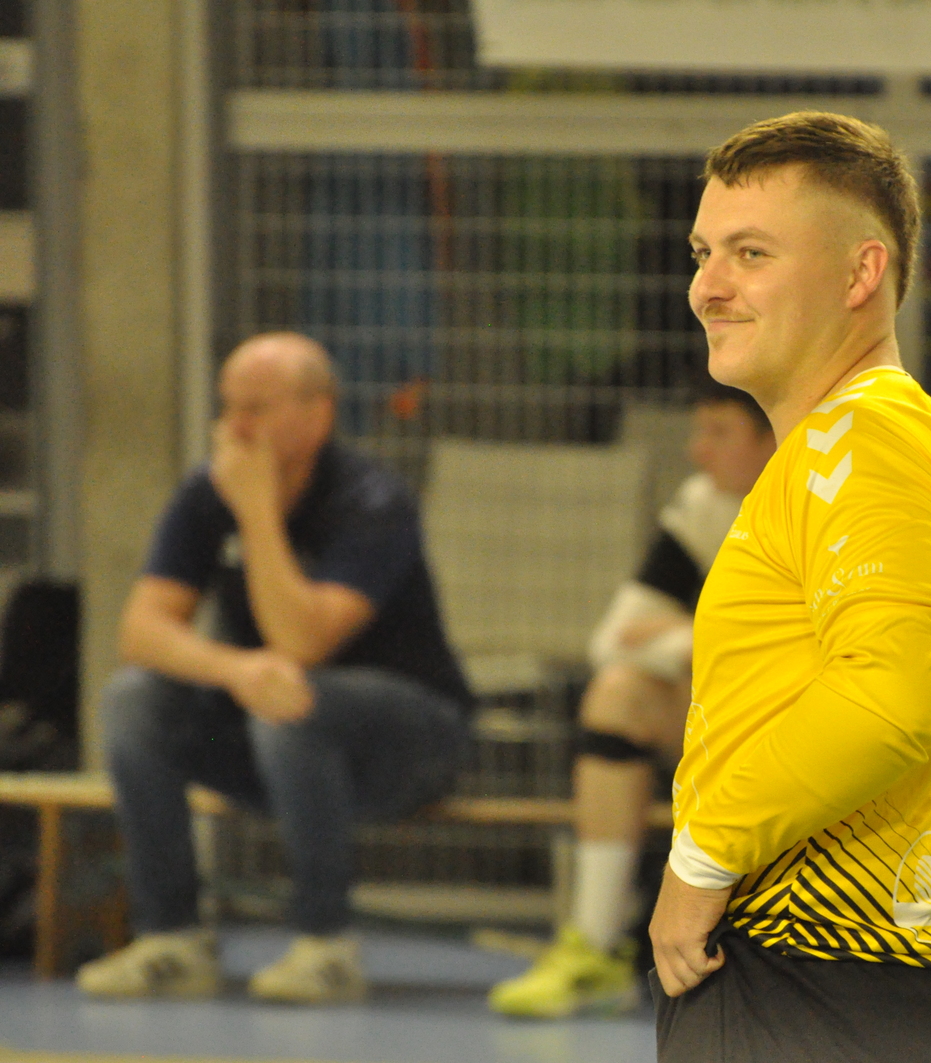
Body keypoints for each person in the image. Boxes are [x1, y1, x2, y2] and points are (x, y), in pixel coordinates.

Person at [647, 111, 931, 1062]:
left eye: (752, 253)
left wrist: (700, 857)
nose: (707, 287)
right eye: (703, 253)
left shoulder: (865, 440)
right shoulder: (876, 441)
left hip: (819, 974)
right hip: (863, 981)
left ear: (862, 274)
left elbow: (888, 698)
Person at [77, 332, 473, 1004]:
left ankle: (326, 946)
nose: (235, 426)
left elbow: (302, 642)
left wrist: (257, 510)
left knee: (293, 699)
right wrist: (234, 669)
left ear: (318, 415)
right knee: (133, 700)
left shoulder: (373, 500)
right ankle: (171, 939)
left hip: (408, 745)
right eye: (228, 406)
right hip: (269, 742)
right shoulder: (207, 493)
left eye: (256, 408)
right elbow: (140, 631)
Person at [488, 383, 775, 1018]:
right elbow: (612, 641)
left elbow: (797, 649)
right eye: (697, 431)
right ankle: (595, 946)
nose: (698, 451)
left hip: (810, 733)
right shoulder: (704, 505)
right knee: (618, 694)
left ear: (770, 440)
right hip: (724, 721)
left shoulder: (814, 504)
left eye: (719, 433)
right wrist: (696, 643)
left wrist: (692, 634)